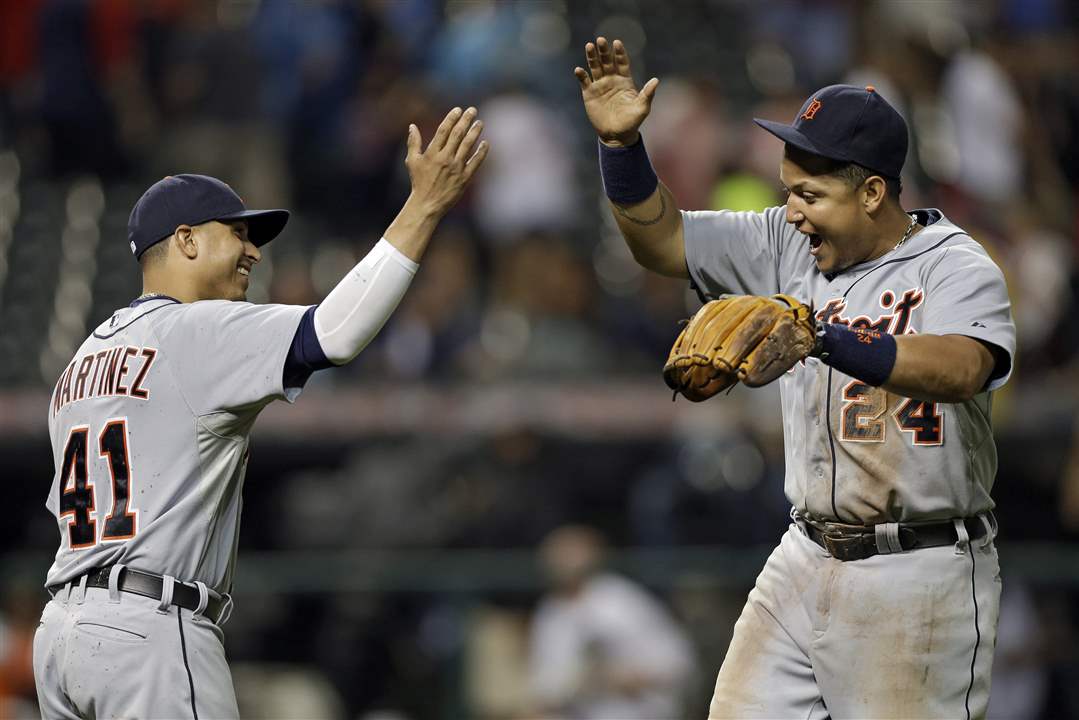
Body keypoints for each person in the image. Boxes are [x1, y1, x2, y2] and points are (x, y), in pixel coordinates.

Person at [575, 37, 1015, 719]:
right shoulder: (786, 241)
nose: (790, 211)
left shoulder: (953, 267)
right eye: (787, 191)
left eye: (809, 194)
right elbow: (658, 240)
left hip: (917, 571)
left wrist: (822, 336)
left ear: (871, 192)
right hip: (803, 553)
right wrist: (621, 149)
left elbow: (962, 368)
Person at [33, 106, 488, 719]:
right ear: (187, 240)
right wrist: (425, 206)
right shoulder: (194, 329)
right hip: (150, 633)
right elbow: (335, 333)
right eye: (238, 233)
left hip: (61, 635)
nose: (253, 252)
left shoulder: (82, 361)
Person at [527, 525, 695, 719]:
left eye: (571, 552)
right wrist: (583, 682)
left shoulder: (622, 599)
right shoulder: (550, 613)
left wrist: (632, 678)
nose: (564, 561)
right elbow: (544, 688)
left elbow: (679, 663)